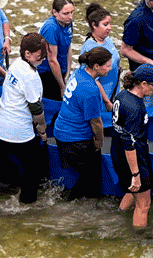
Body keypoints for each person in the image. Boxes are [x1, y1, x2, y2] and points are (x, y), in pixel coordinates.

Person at [0, 32, 49, 203]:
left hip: (1, 125)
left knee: (3, 162)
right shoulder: (30, 76)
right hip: (19, 131)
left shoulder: (16, 64)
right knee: (33, 168)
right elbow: (36, 109)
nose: (42, 60)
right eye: (39, 56)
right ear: (27, 54)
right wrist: (42, 130)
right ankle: (27, 204)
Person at [111, 64, 153, 229]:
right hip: (133, 159)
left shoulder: (122, 95)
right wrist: (136, 173)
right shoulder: (135, 109)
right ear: (143, 84)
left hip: (117, 153)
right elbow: (130, 144)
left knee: (132, 190)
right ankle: (139, 240)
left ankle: (118, 216)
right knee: (144, 204)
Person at [53, 46, 112, 200]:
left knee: (83, 173)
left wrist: (106, 100)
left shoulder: (80, 72)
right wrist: (99, 142)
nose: (110, 68)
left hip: (61, 131)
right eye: (108, 65)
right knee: (90, 176)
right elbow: (96, 123)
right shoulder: (89, 91)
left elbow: (95, 82)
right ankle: (71, 202)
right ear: (96, 67)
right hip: (74, 140)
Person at [80, 3, 121, 109]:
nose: (110, 28)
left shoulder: (107, 39)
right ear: (94, 25)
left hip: (114, 91)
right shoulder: (89, 48)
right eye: (105, 24)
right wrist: (107, 102)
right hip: (101, 100)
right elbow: (92, 79)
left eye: (110, 24)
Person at [37, 0, 74, 101]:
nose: (70, 16)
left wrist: (67, 73)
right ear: (55, 12)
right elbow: (52, 60)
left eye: (72, 12)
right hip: (47, 73)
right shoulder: (51, 28)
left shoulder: (68, 22)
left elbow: (68, 48)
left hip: (61, 69)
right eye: (66, 13)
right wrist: (62, 86)